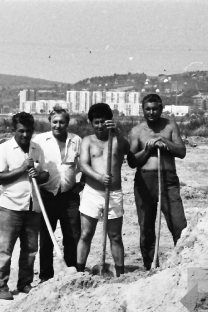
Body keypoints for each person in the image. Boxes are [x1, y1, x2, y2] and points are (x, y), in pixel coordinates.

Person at [0, 112, 49, 300]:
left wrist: (37, 174)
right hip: (11, 207)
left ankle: (24, 283)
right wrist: (22, 169)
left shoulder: (37, 149)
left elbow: (45, 175)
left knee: (31, 249)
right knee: (5, 249)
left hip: (33, 206)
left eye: (28, 131)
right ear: (14, 130)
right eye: (21, 131)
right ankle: (1, 286)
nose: (25, 135)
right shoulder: (4, 149)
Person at [128, 93, 187, 270]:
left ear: (161, 109)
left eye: (155, 109)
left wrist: (164, 142)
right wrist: (148, 149)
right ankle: (150, 265)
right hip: (145, 181)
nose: (151, 112)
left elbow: (181, 151)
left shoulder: (170, 126)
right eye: (148, 109)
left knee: (178, 223)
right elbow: (132, 161)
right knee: (146, 225)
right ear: (143, 110)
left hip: (168, 180)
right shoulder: (136, 131)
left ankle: (182, 263)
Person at [76, 103, 133, 277]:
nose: (100, 126)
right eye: (96, 122)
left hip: (114, 194)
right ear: (91, 122)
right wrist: (99, 177)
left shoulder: (117, 139)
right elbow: (83, 165)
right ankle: (79, 272)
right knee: (86, 233)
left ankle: (120, 274)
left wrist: (117, 131)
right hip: (92, 193)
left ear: (110, 121)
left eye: (103, 122)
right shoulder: (87, 141)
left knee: (115, 236)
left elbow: (127, 149)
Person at [33, 107, 84, 283]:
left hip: (69, 197)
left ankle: (71, 273)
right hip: (47, 196)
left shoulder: (76, 140)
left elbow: (86, 162)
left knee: (73, 235)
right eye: (55, 121)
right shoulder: (40, 140)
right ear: (50, 122)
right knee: (46, 239)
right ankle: (46, 276)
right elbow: (32, 162)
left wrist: (82, 181)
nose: (58, 125)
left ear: (67, 123)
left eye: (62, 121)